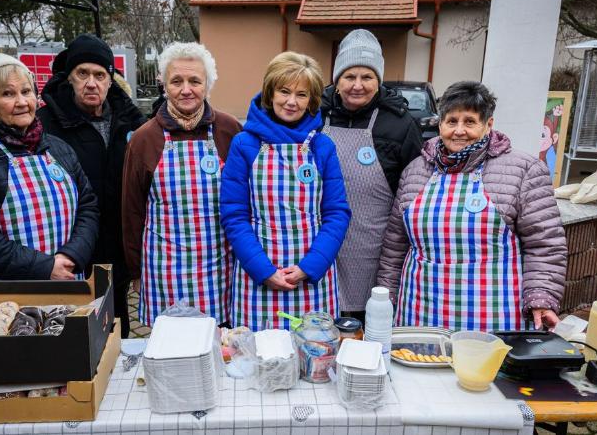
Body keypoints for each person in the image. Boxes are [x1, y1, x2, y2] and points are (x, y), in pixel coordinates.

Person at [376, 81, 567, 331]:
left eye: (469, 121)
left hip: (493, 317)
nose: (459, 130)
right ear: (440, 124)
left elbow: (545, 244)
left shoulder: (524, 170)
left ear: (488, 124)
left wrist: (541, 297)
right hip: (419, 311)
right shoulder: (415, 171)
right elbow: (394, 247)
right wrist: (386, 298)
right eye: (451, 121)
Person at [221, 52, 351, 331]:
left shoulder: (322, 147)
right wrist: (263, 270)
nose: (292, 102)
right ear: (270, 92)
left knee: (314, 358)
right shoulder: (245, 144)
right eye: (284, 91)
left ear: (312, 100)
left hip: (312, 277)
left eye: (302, 94)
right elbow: (234, 216)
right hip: (258, 277)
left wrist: (309, 266)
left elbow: (337, 214)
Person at [0, 50, 99, 280]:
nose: (21, 102)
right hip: (5, 294)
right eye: (8, 94)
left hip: (67, 279)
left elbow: (87, 207)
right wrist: (45, 267)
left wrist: (73, 255)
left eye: (26, 91)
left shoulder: (59, 149)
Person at [122, 42, 242, 327]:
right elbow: (132, 211)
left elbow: (246, 200)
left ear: (208, 85)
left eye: (195, 81)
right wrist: (135, 271)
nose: (186, 89)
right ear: (164, 84)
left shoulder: (229, 131)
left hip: (220, 267)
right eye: (177, 81)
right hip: (165, 267)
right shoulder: (144, 138)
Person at [38, 34, 146, 337]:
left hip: (119, 240)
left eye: (100, 75)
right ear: (69, 78)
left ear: (110, 80)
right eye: (82, 73)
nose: (91, 83)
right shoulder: (45, 124)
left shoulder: (130, 121)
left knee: (118, 321)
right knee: (76, 323)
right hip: (73, 245)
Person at [320, 29, 422, 323]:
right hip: (321, 245)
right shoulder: (316, 115)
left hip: (374, 248)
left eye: (367, 77)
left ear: (379, 80)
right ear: (337, 80)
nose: (358, 85)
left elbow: (413, 189)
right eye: (349, 76)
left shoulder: (400, 124)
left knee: (367, 329)